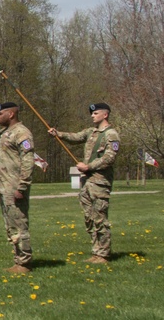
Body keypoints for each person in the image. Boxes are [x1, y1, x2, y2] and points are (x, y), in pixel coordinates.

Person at [48, 103, 120, 264]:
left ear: (105, 115)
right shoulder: (91, 132)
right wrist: (58, 134)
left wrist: (89, 166)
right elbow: (76, 137)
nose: (92, 116)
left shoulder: (111, 135)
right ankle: (96, 251)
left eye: (95, 113)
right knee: (89, 218)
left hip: (100, 182)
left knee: (100, 218)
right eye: (92, 114)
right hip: (86, 182)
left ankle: (104, 254)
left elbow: (109, 158)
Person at [0, 102, 35, 273]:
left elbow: (28, 162)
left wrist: (22, 187)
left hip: (14, 185)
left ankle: (24, 263)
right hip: (4, 186)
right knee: (11, 225)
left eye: (1, 113)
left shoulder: (22, 133)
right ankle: (18, 260)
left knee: (20, 223)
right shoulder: (5, 133)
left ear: (12, 114)